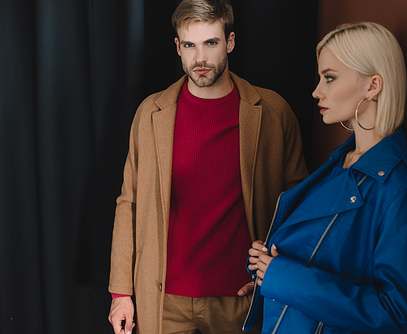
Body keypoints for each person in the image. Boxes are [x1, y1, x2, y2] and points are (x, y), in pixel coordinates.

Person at [107, 0, 309, 333]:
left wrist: (276, 273)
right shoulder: (151, 114)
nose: (200, 58)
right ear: (178, 47)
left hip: (241, 294)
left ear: (229, 42)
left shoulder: (272, 112)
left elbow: (299, 204)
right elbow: (129, 202)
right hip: (162, 295)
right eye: (190, 45)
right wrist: (121, 292)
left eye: (211, 43)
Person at [245, 22, 407, 334]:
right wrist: (267, 269)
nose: (317, 91)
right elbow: (322, 256)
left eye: (329, 78)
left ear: (372, 86)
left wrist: (283, 277)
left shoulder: (400, 185)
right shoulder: (340, 162)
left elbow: (396, 314)